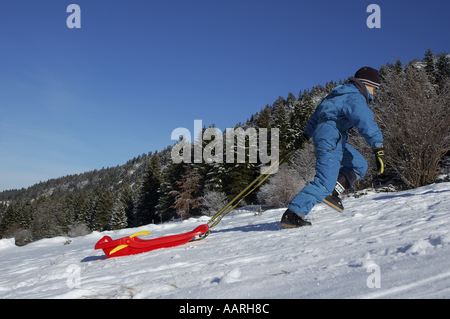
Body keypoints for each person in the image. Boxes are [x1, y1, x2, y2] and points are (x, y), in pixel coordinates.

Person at [280, 66, 385, 228]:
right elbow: (365, 121)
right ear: (366, 84)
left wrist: (305, 135)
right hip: (331, 137)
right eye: (374, 88)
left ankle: (333, 192)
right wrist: (378, 146)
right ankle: (293, 214)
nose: (374, 93)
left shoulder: (336, 95)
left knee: (359, 165)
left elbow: (316, 115)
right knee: (324, 182)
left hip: (332, 136)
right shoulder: (355, 97)